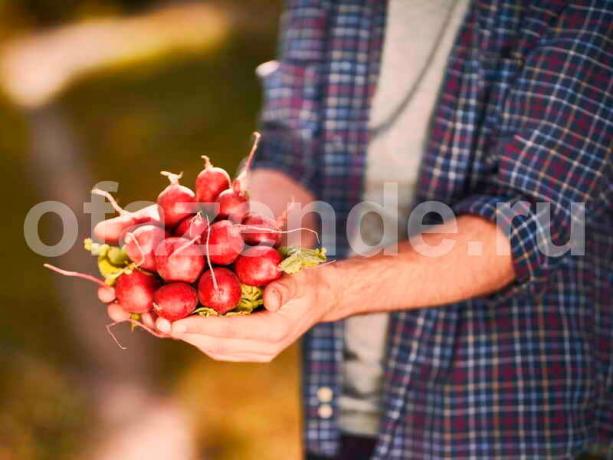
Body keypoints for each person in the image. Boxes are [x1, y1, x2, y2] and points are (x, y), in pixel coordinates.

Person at [96, 0, 612, 458]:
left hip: (501, 417)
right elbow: (289, 151)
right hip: (337, 402)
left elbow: (530, 219)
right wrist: (259, 239)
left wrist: (326, 291)